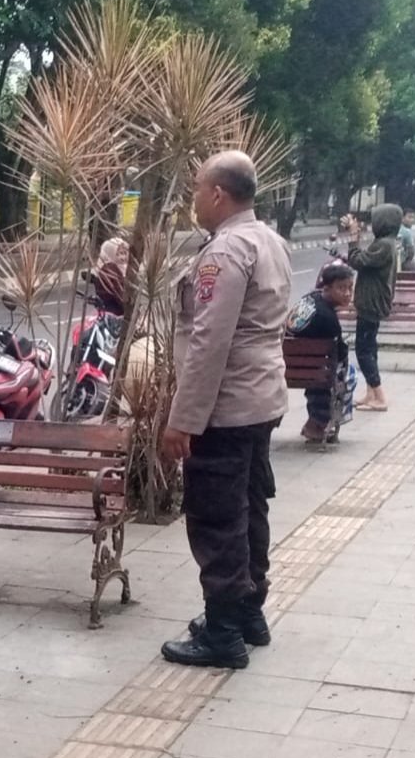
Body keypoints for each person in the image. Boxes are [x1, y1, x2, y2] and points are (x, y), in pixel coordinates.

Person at [158, 151, 291, 670]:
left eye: (197, 189)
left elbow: (208, 342)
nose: (193, 199)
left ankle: (223, 632)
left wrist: (183, 419)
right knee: (250, 506)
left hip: (227, 405)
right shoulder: (271, 241)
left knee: (217, 518)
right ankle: (249, 612)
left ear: (217, 193)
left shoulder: (227, 250)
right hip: (261, 399)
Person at [286, 261, 357, 443]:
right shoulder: (328, 319)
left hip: (289, 366)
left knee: (320, 370)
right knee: (348, 375)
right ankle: (319, 423)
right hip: (316, 370)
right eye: (341, 288)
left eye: (350, 288)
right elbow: (339, 353)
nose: (348, 293)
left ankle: (315, 422)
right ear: (327, 287)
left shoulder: (310, 298)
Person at [344, 203, 402, 412]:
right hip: (372, 303)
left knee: (363, 351)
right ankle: (371, 393)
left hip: (372, 304)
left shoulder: (384, 245)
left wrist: (353, 238)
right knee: (370, 349)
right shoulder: (385, 243)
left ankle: (379, 396)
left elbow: (358, 261)